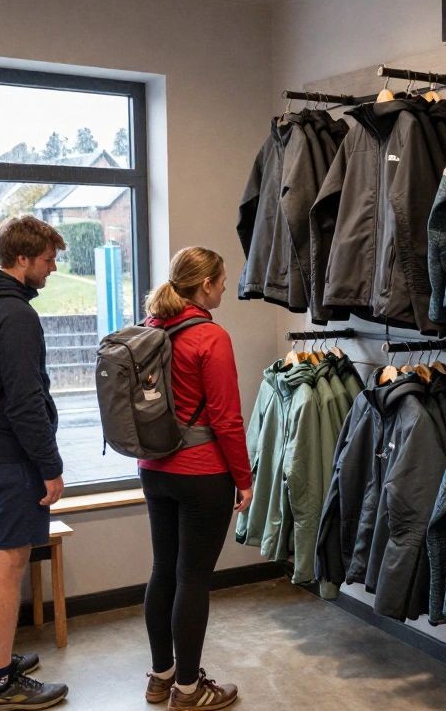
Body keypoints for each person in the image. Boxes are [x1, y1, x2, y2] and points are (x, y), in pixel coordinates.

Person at [0, 215, 70, 709]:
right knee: (9, 564)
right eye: (47, 260)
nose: (51, 270)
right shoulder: (15, 314)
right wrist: (49, 465)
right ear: (22, 258)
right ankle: (0, 684)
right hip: (11, 459)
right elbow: (25, 401)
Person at [138, 247, 252, 710]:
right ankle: (188, 691)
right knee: (193, 579)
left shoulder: (151, 330)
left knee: (163, 570)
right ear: (205, 285)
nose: (226, 286)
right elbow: (226, 420)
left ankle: (160, 679)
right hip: (203, 473)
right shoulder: (210, 336)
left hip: (153, 469)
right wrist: (244, 478)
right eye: (223, 280)